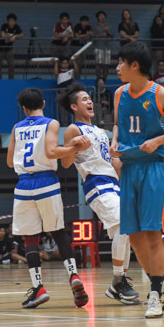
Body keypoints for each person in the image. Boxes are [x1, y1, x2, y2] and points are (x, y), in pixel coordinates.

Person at [110, 41, 164, 318]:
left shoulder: (162, 94)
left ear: (135, 65)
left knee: (153, 234)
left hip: (154, 168)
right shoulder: (119, 93)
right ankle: (162, 284)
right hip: (129, 168)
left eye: (121, 62)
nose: (118, 67)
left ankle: (156, 291)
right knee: (133, 237)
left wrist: (158, 140)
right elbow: (119, 124)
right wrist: (115, 142)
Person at [6, 87, 90, 309]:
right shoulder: (51, 123)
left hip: (23, 185)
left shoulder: (16, 128)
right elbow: (52, 152)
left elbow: (9, 162)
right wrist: (74, 147)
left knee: (30, 238)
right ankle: (73, 276)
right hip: (46, 182)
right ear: (43, 103)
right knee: (58, 232)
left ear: (23, 108)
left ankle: (38, 288)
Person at [58, 83, 140, 305]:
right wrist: (74, 146)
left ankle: (120, 283)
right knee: (123, 226)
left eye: (90, 98)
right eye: (84, 99)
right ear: (74, 106)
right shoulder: (73, 130)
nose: (90, 101)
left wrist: (122, 159)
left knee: (128, 233)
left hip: (113, 182)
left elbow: (113, 163)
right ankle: (118, 280)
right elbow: (65, 163)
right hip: (95, 183)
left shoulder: (101, 132)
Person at [0, 13, 23, 79]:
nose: (11, 22)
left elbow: (22, 35)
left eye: (13, 21)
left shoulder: (17, 27)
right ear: (8, 21)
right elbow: (2, 35)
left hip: (9, 49)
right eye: (10, 21)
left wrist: (15, 36)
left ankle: (11, 80)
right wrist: (11, 37)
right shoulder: (4, 26)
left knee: (11, 65)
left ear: (15, 21)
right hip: (0, 48)